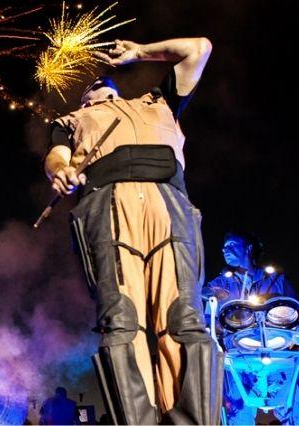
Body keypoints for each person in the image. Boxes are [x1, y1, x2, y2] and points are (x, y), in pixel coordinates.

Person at [44, 37, 221, 424]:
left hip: (168, 204)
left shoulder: (157, 101)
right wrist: (60, 173)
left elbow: (199, 48)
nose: (100, 86)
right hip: (107, 206)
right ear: (84, 100)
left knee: (183, 317)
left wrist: (141, 52)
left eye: (105, 82)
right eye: (92, 87)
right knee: (123, 319)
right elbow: (55, 157)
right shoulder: (71, 122)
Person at [204, 232, 299, 425]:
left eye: (231, 245)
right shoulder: (219, 285)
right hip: (238, 358)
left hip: (278, 355)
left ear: (248, 248)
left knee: (295, 411)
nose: (224, 250)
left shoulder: (276, 280)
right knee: (238, 415)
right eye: (223, 247)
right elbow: (206, 321)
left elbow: (298, 316)